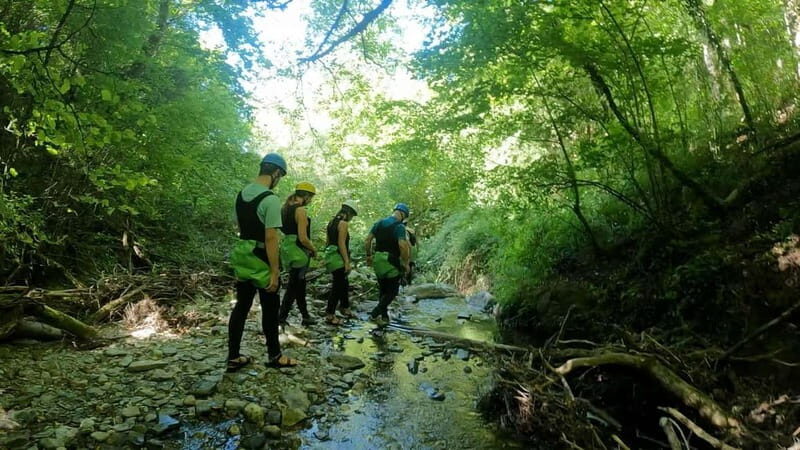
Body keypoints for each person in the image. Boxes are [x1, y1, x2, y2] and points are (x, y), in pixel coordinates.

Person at [226, 153, 298, 371]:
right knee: (270, 308)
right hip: (262, 259)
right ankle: (275, 356)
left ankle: (233, 356)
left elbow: (240, 226)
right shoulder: (270, 199)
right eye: (280, 177)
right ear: (276, 173)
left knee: (241, 306)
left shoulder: (241, 194)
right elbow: (270, 238)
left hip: (243, 256)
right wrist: (275, 272)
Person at [278, 182, 317, 326]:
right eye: (311, 197)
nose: (311, 201)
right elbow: (303, 237)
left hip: (288, 248)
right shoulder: (300, 210)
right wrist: (313, 249)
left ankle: (305, 316)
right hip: (299, 251)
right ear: (306, 196)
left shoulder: (285, 208)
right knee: (293, 287)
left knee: (299, 285)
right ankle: (281, 318)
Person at [365, 203, 411, 324]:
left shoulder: (379, 223)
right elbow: (402, 245)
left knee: (383, 290)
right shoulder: (399, 227)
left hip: (377, 259)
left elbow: (368, 239)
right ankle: (375, 313)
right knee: (392, 291)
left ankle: (384, 317)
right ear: (403, 215)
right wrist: (406, 263)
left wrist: (369, 255)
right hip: (390, 261)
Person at [323, 200, 358, 325]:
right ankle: (330, 314)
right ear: (349, 213)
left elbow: (327, 242)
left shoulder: (331, 222)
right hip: (338, 257)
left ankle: (345, 307)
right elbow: (341, 244)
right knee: (337, 286)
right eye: (352, 216)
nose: (352, 218)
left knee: (344, 282)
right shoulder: (343, 224)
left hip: (331, 256)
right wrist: (347, 262)